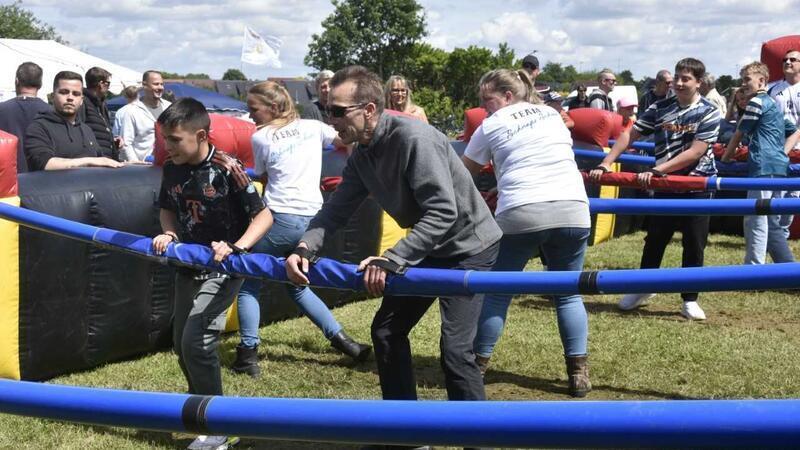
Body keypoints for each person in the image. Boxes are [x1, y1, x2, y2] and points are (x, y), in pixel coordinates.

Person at [285, 66, 502, 406]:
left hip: (469, 247)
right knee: (387, 331)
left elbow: (444, 212)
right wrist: (304, 246)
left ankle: (475, 439)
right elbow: (336, 210)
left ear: (369, 109)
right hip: (428, 245)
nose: (331, 120)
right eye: (328, 110)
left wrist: (392, 259)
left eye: (338, 111)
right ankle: (405, 435)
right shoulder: (362, 155)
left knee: (457, 352)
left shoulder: (414, 139)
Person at [462, 69, 592, 397]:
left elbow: (463, 176)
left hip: (522, 210)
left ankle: (476, 366)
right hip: (574, 207)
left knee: (497, 292)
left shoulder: (490, 124)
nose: (483, 107)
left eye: (486, 100)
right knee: (568, 293)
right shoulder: (551, 114)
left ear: (507, 96)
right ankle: (578, 372)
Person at [152, 97, 272, 450]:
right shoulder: (171, 166)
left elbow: (264, 216)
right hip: (188, 265)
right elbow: (166, 209)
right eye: (164, 139)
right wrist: (170, 233)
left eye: (174, 140)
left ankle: (218, 428)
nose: (167, 147)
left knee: (197, 342)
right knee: (181, 344)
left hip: (223, 267)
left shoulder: (226, 167)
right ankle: (201, 411)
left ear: (201, 135)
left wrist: (238, 247)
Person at [230, 81, 371, 378]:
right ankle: (345, 342)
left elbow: (265, 179)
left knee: (248, 282)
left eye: (253, 108)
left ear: (272, 107)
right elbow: (346, 141)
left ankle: (247, 354)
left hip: (280, 216)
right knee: (296, 286)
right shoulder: (313, 126)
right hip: (313, 220)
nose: (251, 114)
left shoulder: (262, 137)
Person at [589, 58, 721, 320]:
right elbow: (630, 134)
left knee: (694, 244)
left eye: (686, 79)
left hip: (696, 185)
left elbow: (697, 151)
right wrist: (606, 161)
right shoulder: (661, 107)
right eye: (677, 77)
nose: (680, 83)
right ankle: (643, 288)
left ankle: (690, 298)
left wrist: (660, 169)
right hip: (664, 185)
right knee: (655, 240)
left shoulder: (709, 110)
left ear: (699, 82)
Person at [722, 62, 799, 265]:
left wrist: (726, 157)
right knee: (771, 221)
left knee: (755, 217)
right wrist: (782, 153)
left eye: (747, 79)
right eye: (743, 80)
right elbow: (794, 131)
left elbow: (739, 131)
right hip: (779, 166)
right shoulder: (773, 104)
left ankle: (754, 270)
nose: (743, 84)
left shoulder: (757, 102)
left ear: (762, 81)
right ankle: (787, 267)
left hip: (762, 166)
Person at [24, 71, 124, 172]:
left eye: (76, 94)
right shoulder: (39, 127)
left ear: (81, 100)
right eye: (64, 92)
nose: (70, 98)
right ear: (53, 96)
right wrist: (88, 162)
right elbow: (44, 163)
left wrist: (124, 164)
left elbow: (101, 161)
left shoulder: (86, 130)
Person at [0, 62, 51, 173]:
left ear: (16, 81)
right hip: (43, 179)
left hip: (7, 179)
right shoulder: (51, 112)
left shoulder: (2, 109)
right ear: (40, 84)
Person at [119, 70, 171, 161]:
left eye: (162, 84)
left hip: (166, 165)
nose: (160, 87)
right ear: (144, 85)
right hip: (142, 168)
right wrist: (136, 164)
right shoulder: (132, 111)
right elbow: (126, 143)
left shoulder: (169, 108)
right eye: (156, 84)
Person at [79, 67, 118, 160]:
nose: (109, 87)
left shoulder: (101, 105)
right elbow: (80, 131)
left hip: (105, 160)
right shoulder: (83, 102)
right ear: (101, 84)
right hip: (93, 162)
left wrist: (111, 141)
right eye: (108, 83)